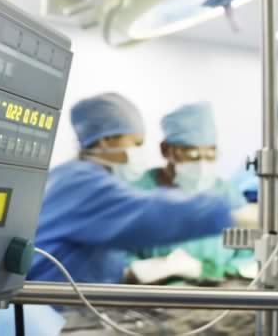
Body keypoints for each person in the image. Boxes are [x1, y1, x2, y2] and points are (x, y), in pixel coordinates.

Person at [28, 93, 234, 284]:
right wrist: (229, 212)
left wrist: (131, 273)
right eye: (136, 143)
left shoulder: (76, 176)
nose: (141, 152)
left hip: (67, 299)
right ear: (106, 141)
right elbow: (152, 214)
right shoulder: (80, 182)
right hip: (48, 303)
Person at [134, 102, 250, 279]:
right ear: (165, 150)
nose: (201, 164)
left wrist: (212, 272)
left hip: (220, 291)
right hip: (152, 294)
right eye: (191, 154)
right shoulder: (139, 192)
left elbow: (247, 255)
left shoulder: (227, 193)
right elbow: (118, 256)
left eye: (210, 154)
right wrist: (148, 270)